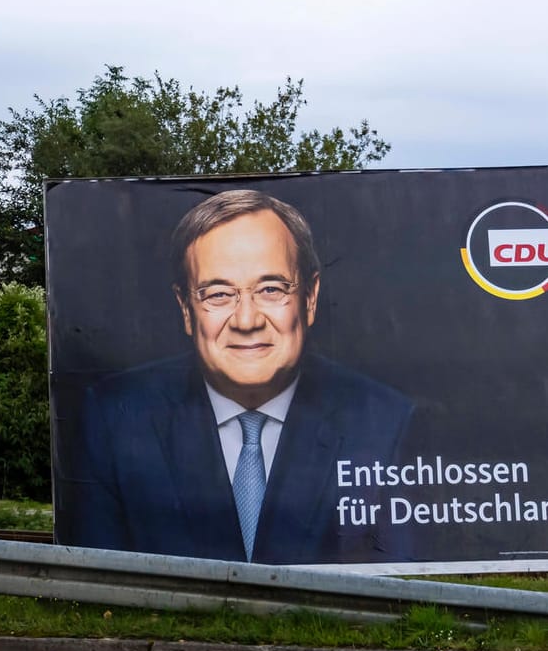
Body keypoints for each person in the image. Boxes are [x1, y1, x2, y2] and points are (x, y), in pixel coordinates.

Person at [59, 189, 411, 564]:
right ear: (185, 308)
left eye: (270, 289)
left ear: (309, 298)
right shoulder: (116, 417)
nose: (247, 321)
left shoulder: (385, 420)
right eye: (219, 294)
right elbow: (100, 583)